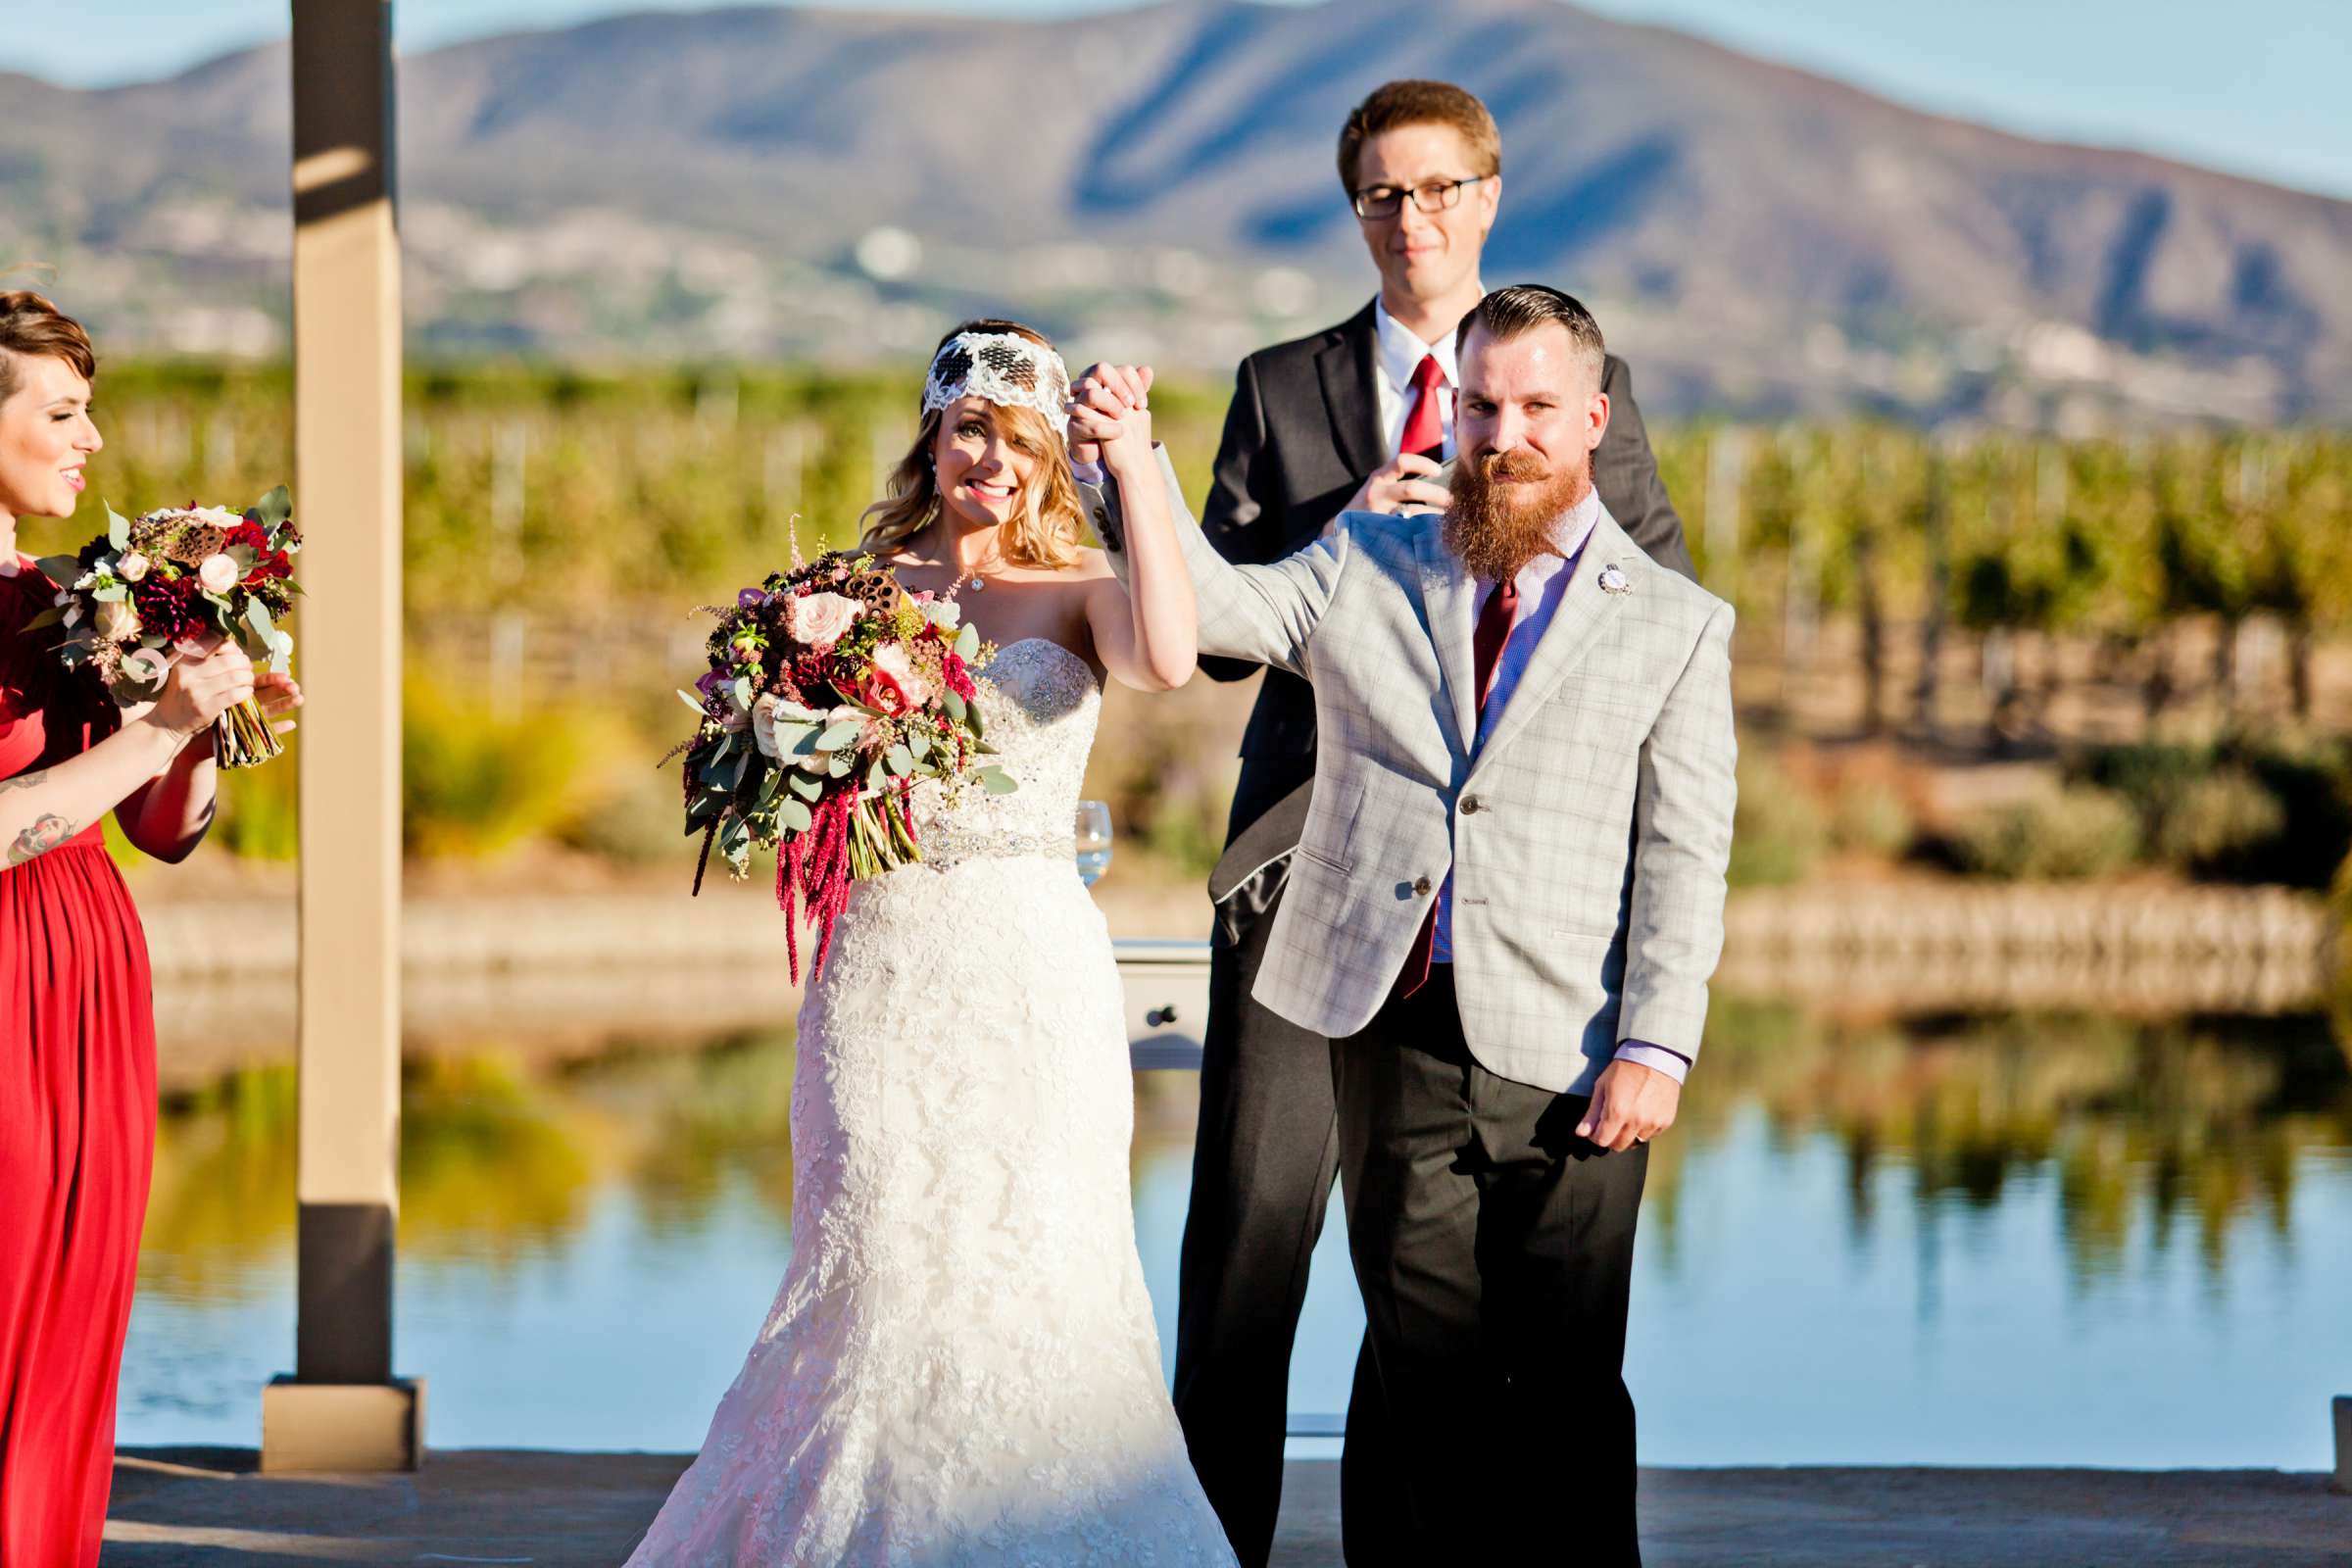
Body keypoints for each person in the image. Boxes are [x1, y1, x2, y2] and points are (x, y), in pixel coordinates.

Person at [1083, 284, 1736, 1565]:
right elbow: (1223, 612)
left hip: (1580, 1053)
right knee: (1429, 1388)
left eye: (1540, 407)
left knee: (1563, 1394)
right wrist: (1130, 465)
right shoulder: (1372, 559)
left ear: (1594, 417)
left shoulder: (1674, 623)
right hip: (1390, 1034)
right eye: (1483, 405)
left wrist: (1657, 1045)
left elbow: (1686, 852)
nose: (1507, 434)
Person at [624, 321, 1237, 1565]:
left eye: (1020, 439)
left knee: (1041, 1253)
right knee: (877, 1248)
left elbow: (1173, 659)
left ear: (1051, 457)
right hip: (881, 963)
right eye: (970, 430)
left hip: (1030, 968)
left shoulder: (1080, 590)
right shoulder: (849, 599)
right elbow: (773, 767)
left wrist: (1136, 466)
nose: (990, 460)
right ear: (932, 436)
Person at [0, 290, 303, 1568]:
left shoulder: (70, 591)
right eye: (62, 413)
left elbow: (164, 828)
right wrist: (157, 732)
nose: (94, 443)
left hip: (88, 966)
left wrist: (204, 724)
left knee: (74, 1315)